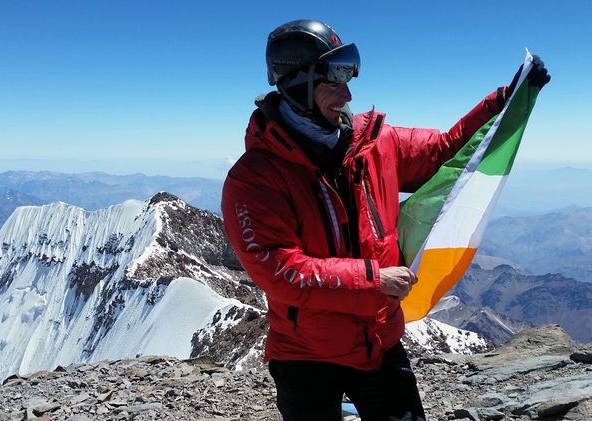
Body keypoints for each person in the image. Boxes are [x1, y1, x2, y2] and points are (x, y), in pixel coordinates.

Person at [221, 19, 549, 421]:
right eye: (334, 78)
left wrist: (503, 101)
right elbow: (281, 272)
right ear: (296, 83)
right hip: (305, 353)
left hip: (379, 340)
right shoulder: (254, 178)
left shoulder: (376, 143)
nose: (348, 92)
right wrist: (375, 279)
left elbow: (446, 152)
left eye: (349, 74)